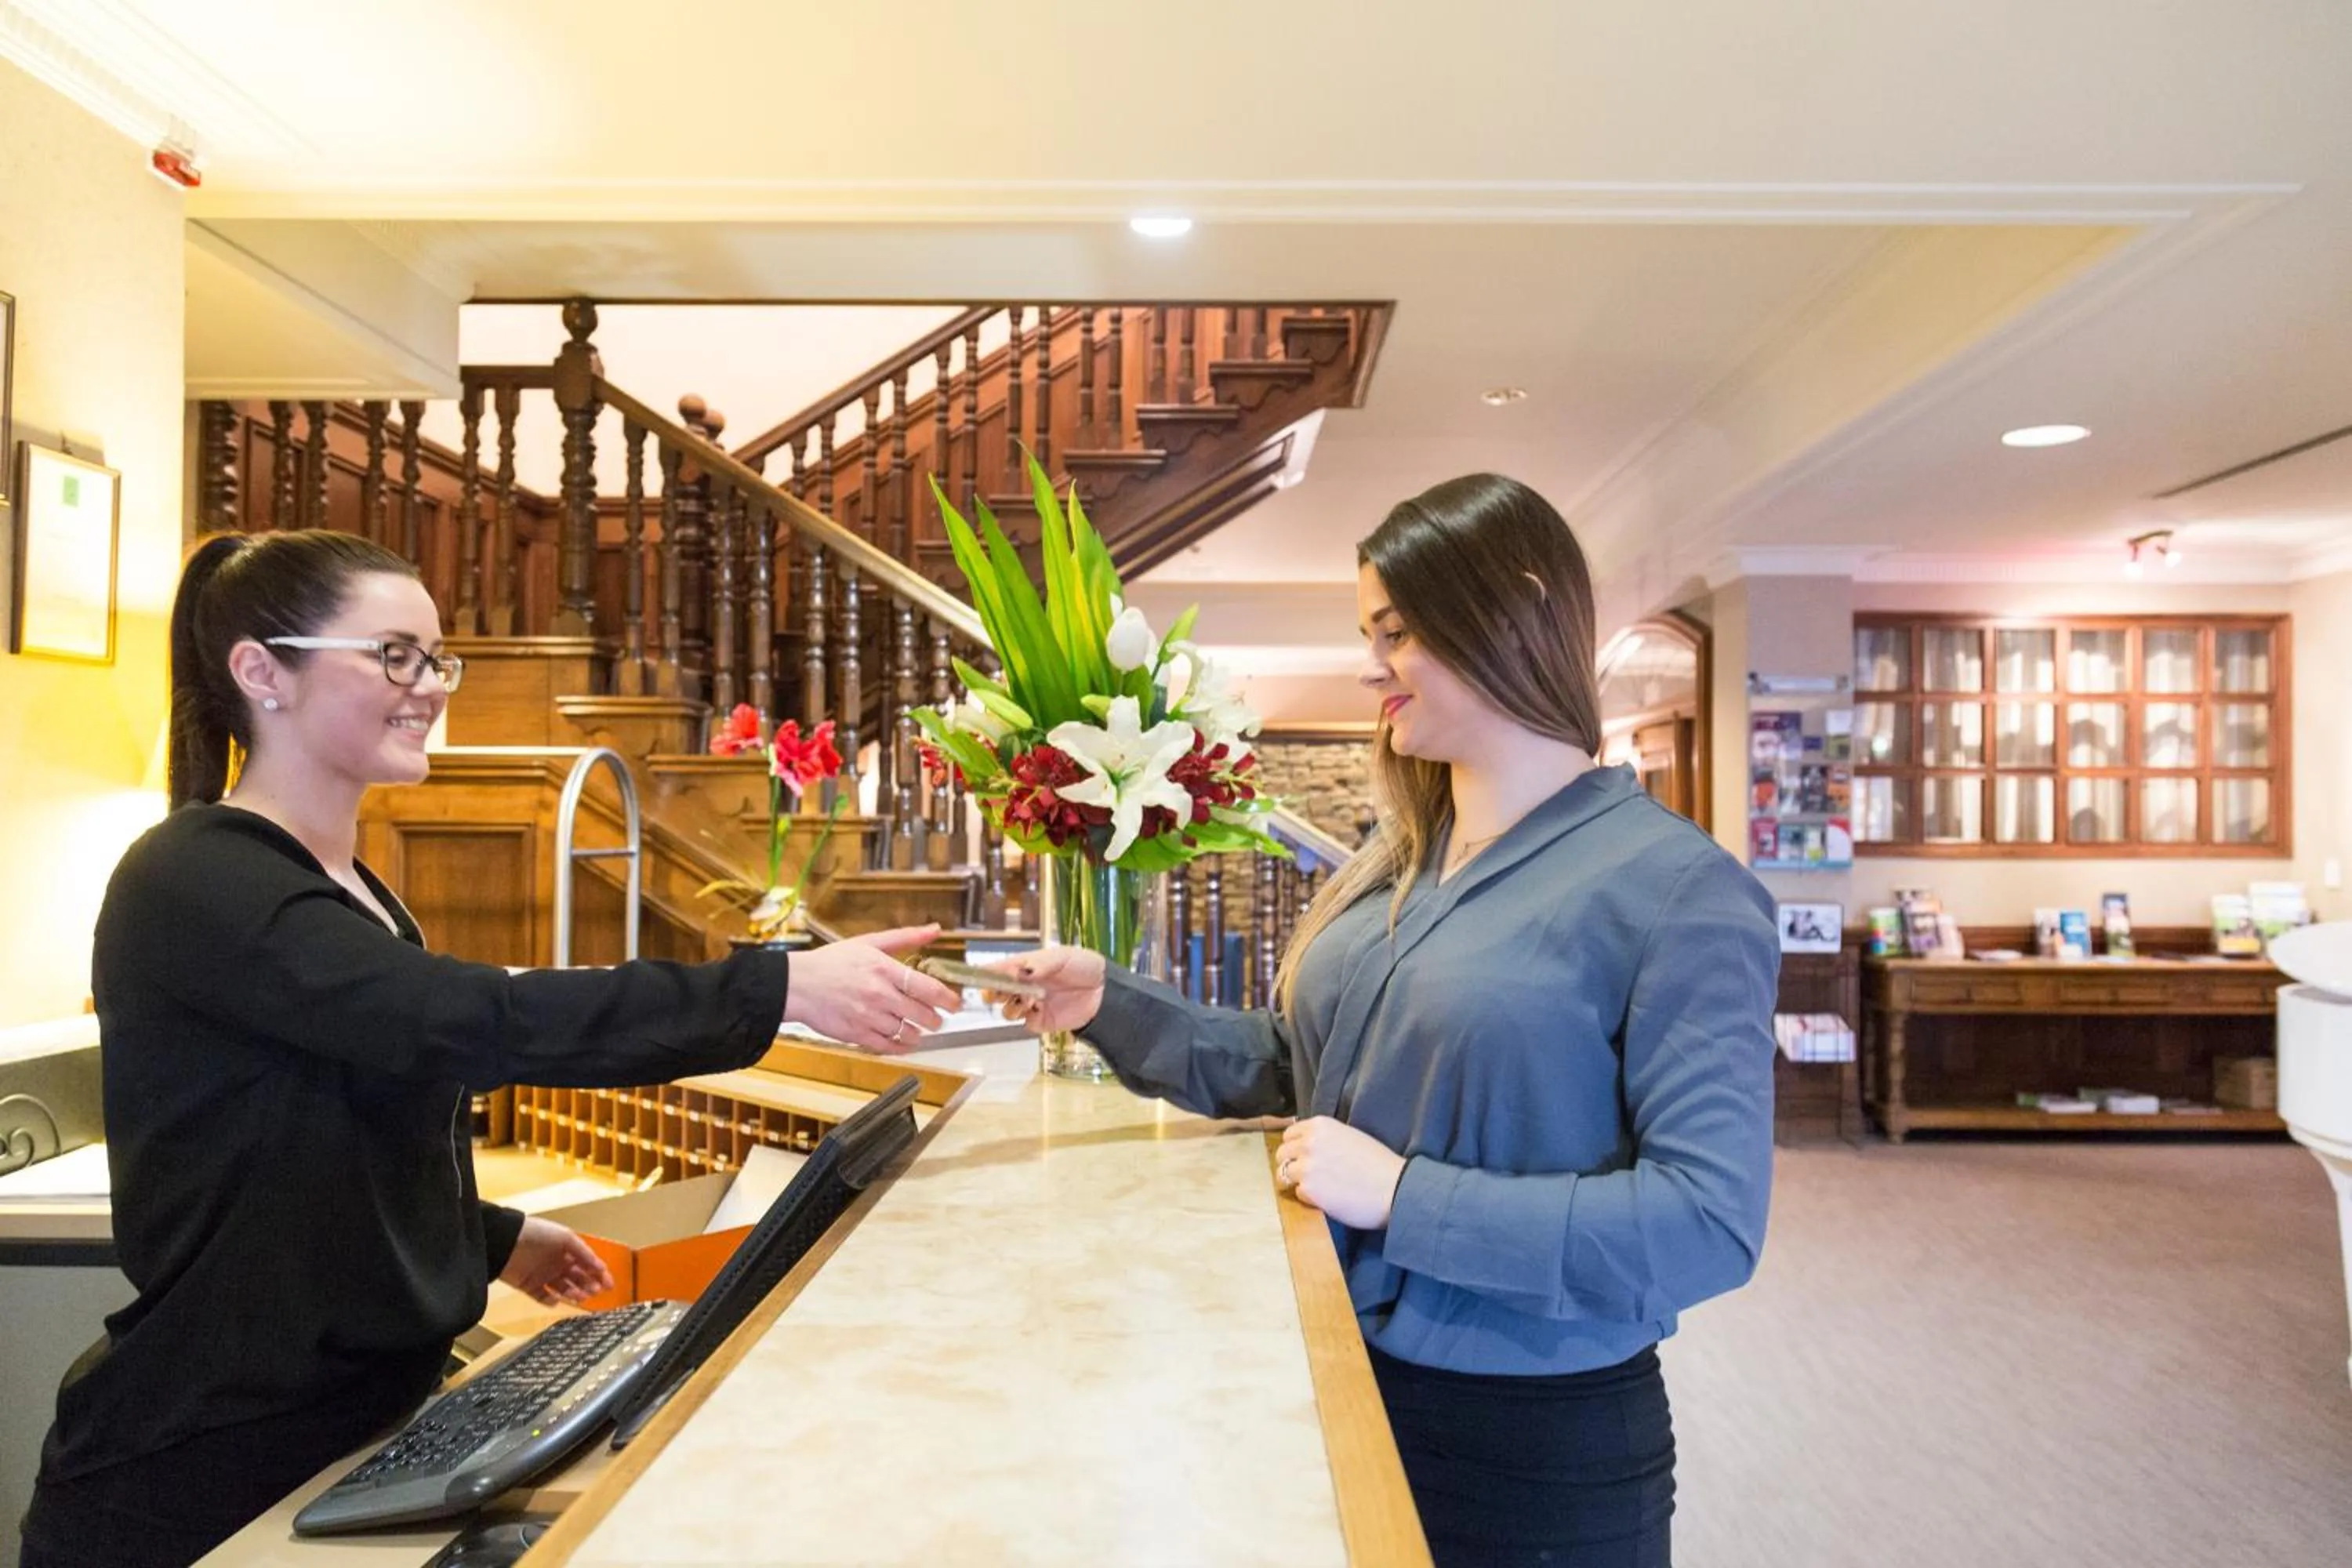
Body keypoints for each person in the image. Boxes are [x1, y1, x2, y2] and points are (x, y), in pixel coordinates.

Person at [17, 530, 961, 1568]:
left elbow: (325, 1139)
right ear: (260, 671)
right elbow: (461, 1018)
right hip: (193, 1478)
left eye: (435, 658)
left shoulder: (351, 892)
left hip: (334, 1440)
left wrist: (493, 1234)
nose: (428, 686)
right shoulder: (194, 877)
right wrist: (772, 986)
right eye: (392, 655)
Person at [997, 475, 1778, 1568]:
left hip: (1526, 1445)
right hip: (1328, 1365)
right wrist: (1108, 1003)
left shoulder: (1676, 891)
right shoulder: (1396, 860)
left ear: (1511, 608)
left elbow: (1707, 1225)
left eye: (1397, 632)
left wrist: (1411, 1199)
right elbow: (1300, 1074)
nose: (1372, 667)